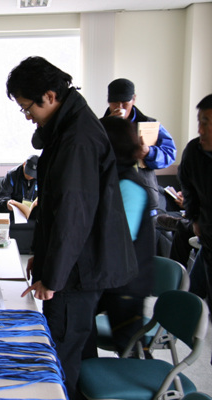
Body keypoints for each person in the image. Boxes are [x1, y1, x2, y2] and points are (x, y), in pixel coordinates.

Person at [7, 56, 138, 400]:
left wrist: (53, 276)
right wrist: (43, 256)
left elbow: (72, 215)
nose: (27, 116)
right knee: (77, 349)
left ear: (50, 96)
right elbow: (56, 207)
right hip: (79, 263)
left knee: (61, 357)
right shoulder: (69, 125)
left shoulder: (77, 137)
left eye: (27, 107)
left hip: (79, 269)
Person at [93, 117, 156, 354]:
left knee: (130, 348)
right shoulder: (114, 177)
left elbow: (120, 236)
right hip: (112, 280)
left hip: (127, 286)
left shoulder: (129, 185)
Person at [103, 78, 177, 211]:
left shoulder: (150, 125)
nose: (120, 107)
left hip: (144, 198)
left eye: (125, 103)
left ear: (134, 99)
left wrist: (149, 152)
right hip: (108, 196)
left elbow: (170, 153)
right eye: (114, 103)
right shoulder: (98, 126)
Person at [179, 94, 212, 314]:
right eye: (199, 121)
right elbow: (187, 186)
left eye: (206, 123)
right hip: (208, 237)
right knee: (194, 296)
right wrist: (194, 217)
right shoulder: (194, 151)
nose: (200, 129)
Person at [0, 154, 39, 222]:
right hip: (15, 210)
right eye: (28, 173)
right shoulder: (12, 175)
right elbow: (3, 195)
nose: (30, 176)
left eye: (33, 174)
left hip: (33, 211)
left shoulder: (41, 176)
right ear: (24, 164)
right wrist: (7, 203)